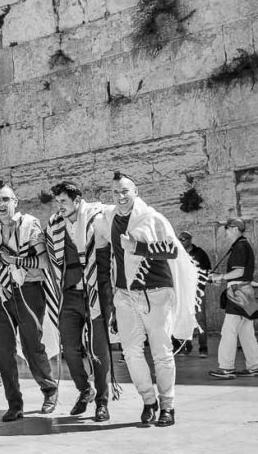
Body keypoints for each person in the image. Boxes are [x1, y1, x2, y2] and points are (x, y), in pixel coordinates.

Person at [106, 172, 199, 428]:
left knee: (161, 352)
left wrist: (138, 248)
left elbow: (172, 249)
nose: (121, 196)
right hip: (124, 295)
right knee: (131, 352)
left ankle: (167, 406)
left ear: (135, 191)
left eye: (125, 191)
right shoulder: (109, 218)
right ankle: (149, 401)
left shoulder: (152, 218)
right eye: (115, 192)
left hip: (155, 293)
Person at [0, 181, 58, 423]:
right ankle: (14, 404)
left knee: (32, 346)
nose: (1, 204)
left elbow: (42, 262)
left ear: (15, 202)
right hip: (1, 294)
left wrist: (15, 261)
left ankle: (49, 391)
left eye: (5, 199)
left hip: (29, 291)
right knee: (5, 351)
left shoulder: (30, 224)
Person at [45, 181, 113, 422]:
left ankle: (102, 402)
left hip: (95, 293)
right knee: (70, 349)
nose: (59, 206)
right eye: (57, 202)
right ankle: (85, 391)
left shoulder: (98, 217)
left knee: (99, 351)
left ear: (76, 200)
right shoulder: (54, 225)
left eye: (63, 201)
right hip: (69, 293)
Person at [208, 217, 258, 380]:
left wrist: (220, 277)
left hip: (238, 290)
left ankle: (226, 368)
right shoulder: (243, 245)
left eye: (226, 228)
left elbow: (238, 273)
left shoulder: (240, 247)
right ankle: (255, 367)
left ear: (234, 229)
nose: (224, 232)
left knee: (229, 331)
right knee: (246, 331)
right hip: (244, 289)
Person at [178, 231, 211, 358]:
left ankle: (203, 348)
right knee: (185, 319)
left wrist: (201, 285)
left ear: (190, 240)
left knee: (200, 319)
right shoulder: (178, 254)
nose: (182, 241)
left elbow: (207, 270)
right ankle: (186, 347)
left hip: (197, 291)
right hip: (182, 291)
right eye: (180, 239)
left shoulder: (199, 253)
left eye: (184, 239)